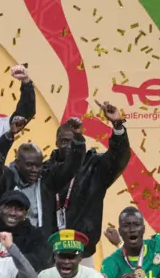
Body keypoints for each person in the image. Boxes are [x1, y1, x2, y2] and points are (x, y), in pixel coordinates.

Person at [52, 103, 130, 253]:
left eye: (73, 141)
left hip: (84, 250)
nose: (69, 146)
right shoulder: (46, 171)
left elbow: (119, 158)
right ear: (56, 142)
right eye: (64, 141)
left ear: (81, 141)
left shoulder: (95, 168)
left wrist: (117, 124)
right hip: (50, 250)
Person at [0, 134, 82, 238]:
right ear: (17, 163)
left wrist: (79, 143)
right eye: (29, 165)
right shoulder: (5, 178)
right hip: (5, 241)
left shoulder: (46, 181)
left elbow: (70, 168)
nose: (35, 170)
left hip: (36, 245)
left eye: (38, 165)